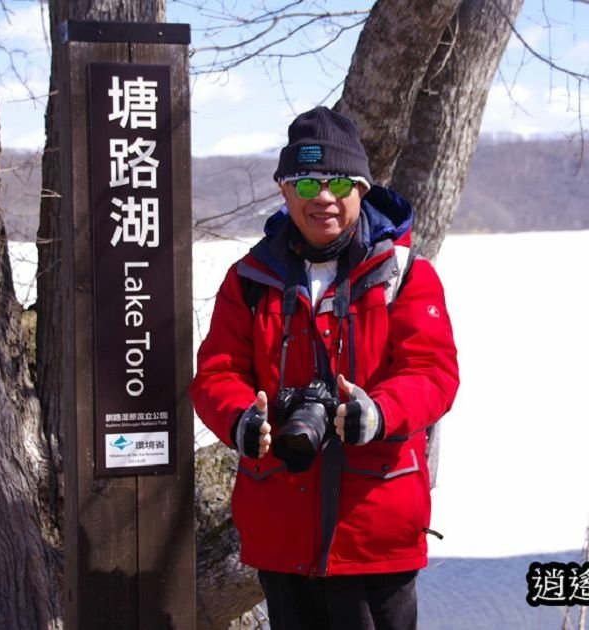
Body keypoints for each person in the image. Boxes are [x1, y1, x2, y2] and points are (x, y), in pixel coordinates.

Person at [190, 106, 459, 630]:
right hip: (281, 524)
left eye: (339, 182)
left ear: (362, 187)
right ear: (284, 191)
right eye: (306, 184)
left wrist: (377, 413)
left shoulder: (404, 276)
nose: (325, 198)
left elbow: (432, 373)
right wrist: (241, 418)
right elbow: (216, 374)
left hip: (376, 524)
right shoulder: (250, 279)